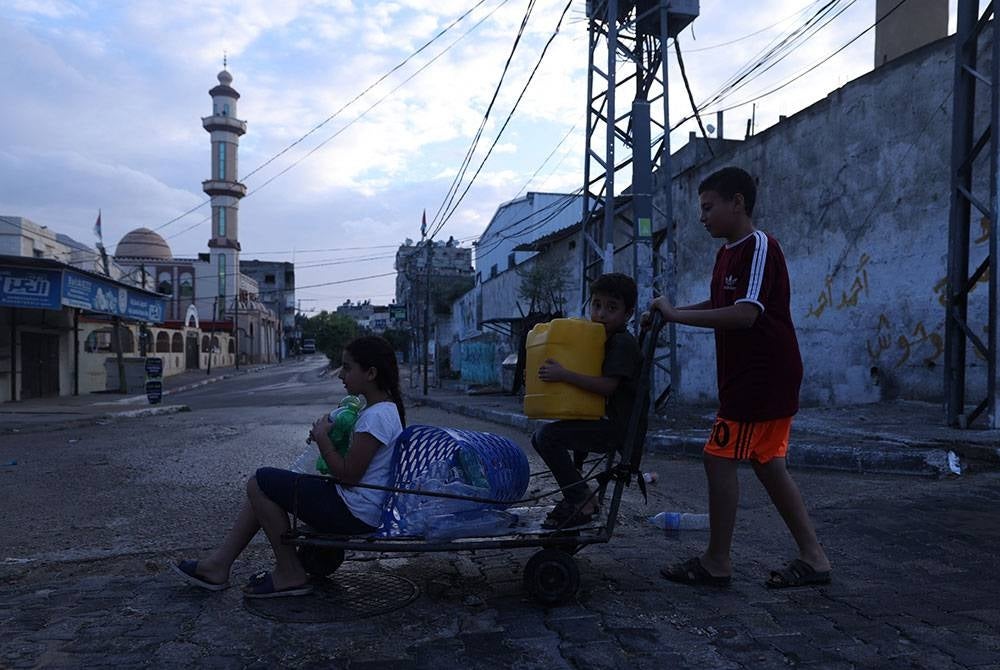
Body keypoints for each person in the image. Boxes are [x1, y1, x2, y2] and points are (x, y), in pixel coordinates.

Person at [649, 166, 831, 589]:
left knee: (719, 457)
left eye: (708, 207)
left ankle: (717, 561)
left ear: (738, 203)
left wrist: (676, 315)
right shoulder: (727, 253)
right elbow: (719, 301)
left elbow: (746, 314)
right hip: (747, 377)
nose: (702, 217)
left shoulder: (760, 245)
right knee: (767, 464)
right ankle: (814, 557)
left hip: (762, 377)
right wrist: (671, 313)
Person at [171, 335, 405, 598]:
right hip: (355, 505)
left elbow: (349, 475)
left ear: (371, 373)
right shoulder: (377, 411)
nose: (341, 374)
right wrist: (328, 440)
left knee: (260, 481)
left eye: (348, 367)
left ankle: (289, 571)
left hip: (355, 512)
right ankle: (218, 565)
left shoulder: (377, 416)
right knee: (262, 488)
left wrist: (323, 439)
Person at [531, 273, 642, 529]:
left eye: (611, 308)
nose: (601, 314)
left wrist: (564, 374)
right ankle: (578, 494)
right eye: (596, 305)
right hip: (601, 419)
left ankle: (582, 499)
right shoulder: (598, 340)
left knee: (547, 437)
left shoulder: (621, 343)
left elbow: (607, 387)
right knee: (541, 435)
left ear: (628, 314)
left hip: (617, 427)